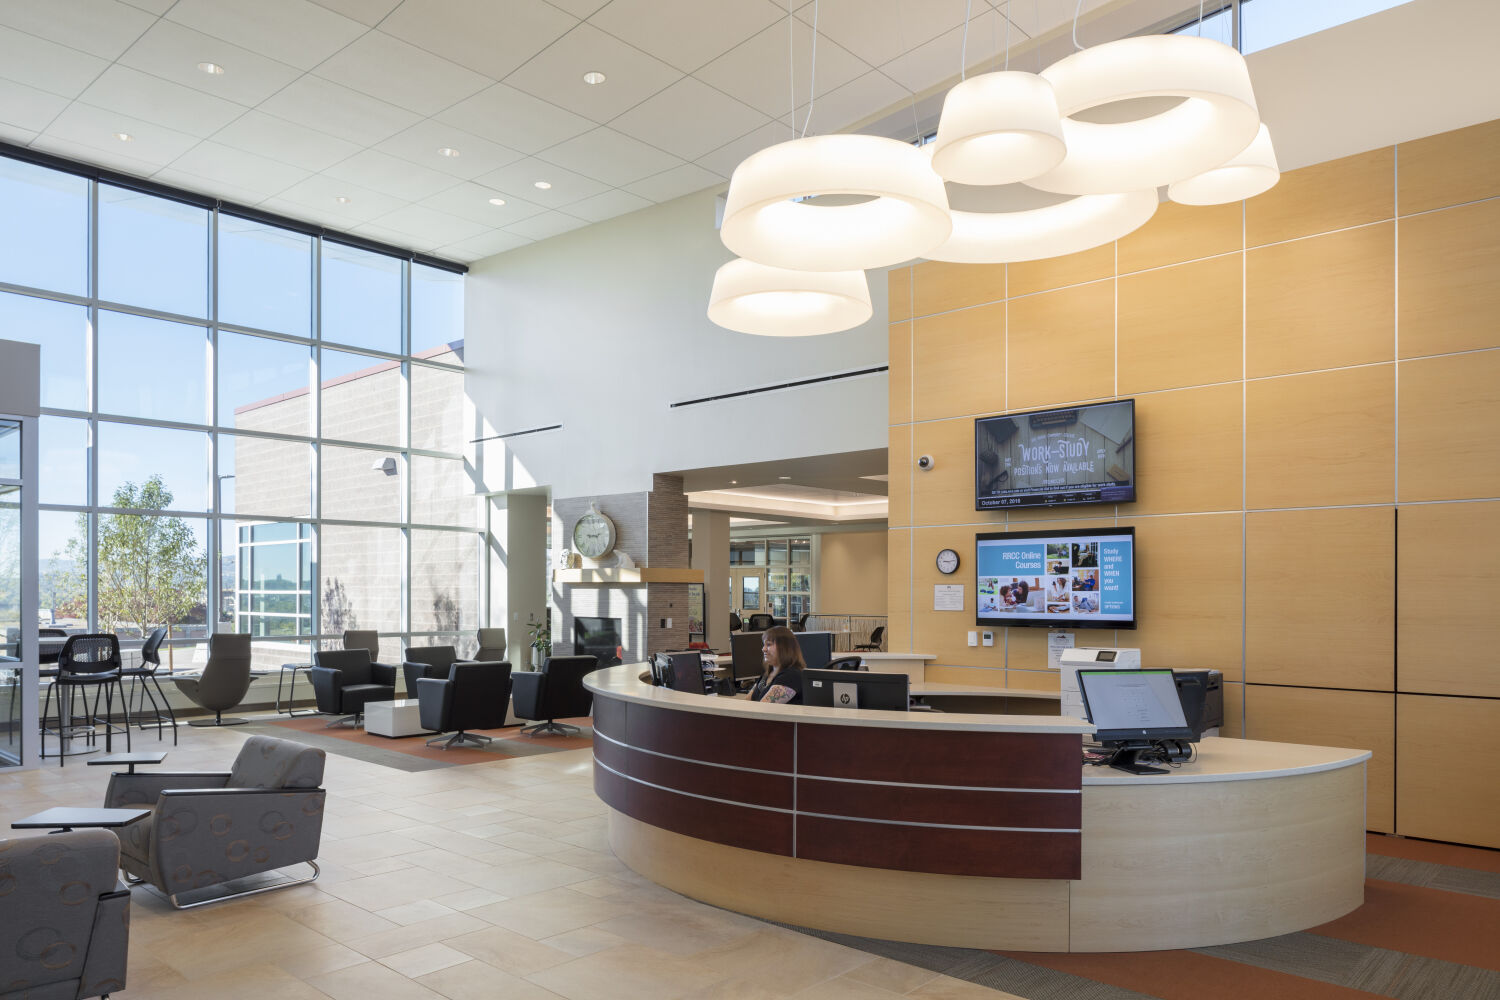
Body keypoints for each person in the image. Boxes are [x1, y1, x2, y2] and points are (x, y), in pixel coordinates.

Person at [749, 626, 806, 705]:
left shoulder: (791, 676)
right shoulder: (767, 674)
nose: (763, 649)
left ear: (784, 648)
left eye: (768, 644)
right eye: (764, 644)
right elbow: (747, 701)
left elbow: (763, 708)